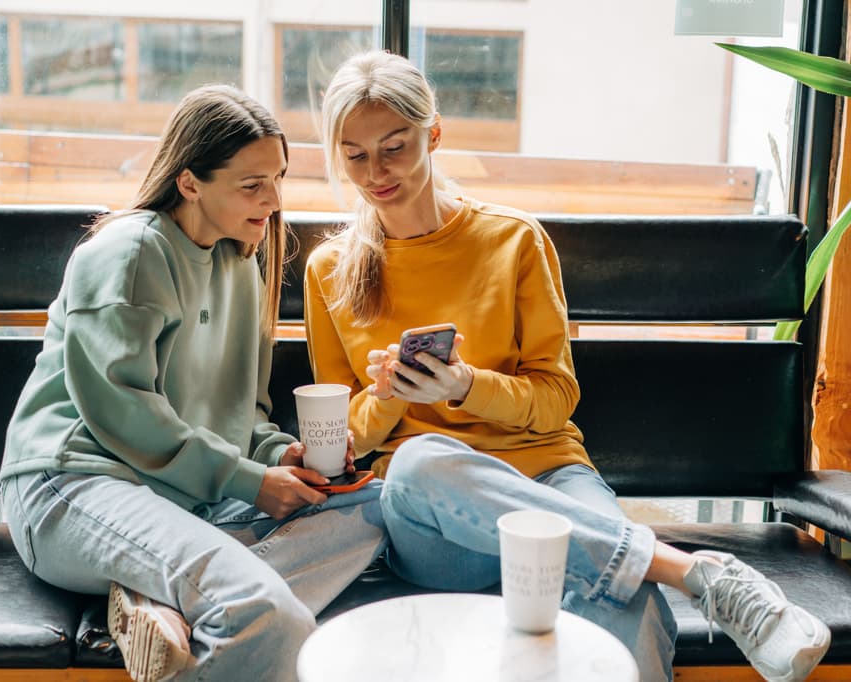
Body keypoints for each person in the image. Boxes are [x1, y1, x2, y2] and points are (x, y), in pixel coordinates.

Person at [303, 50, 830, 682]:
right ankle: (696, 573)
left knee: (626, 601)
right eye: (354, 154)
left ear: (433, 134)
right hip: (435, 522)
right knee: (419, 462)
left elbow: (554, 397)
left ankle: (690, 583)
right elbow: (343, 438)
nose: (375, 172)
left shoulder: (514, 241)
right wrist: (391, 395)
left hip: (550, 479)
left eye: (395, 147)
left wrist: (468, 386)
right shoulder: (329, 271)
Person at [0, 84, 386, 682]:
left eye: (279, 177)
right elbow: (122, 411)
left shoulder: (241, 262)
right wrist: (248, 480)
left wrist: (279, 452)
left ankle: (157, 596)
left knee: (376, 505)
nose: (275, 199)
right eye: (252, 184)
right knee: (264, 613)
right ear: (189, 182)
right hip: (76, 483)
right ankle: (181, 590)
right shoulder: (129, 252)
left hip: (178, 493)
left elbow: (244, 411)